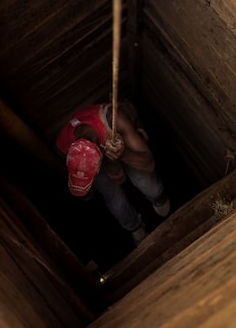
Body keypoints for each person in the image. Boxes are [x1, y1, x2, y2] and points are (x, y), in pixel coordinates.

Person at [56, 101, 170, 245]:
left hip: (122, 147)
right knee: (115, 200)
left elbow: (149, 164)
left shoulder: (115, 120)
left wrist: (122, 153)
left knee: (147, 183)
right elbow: (116, 178)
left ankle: (158, 197)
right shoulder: (63, 144)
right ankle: (134, 226)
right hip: (100, 158)